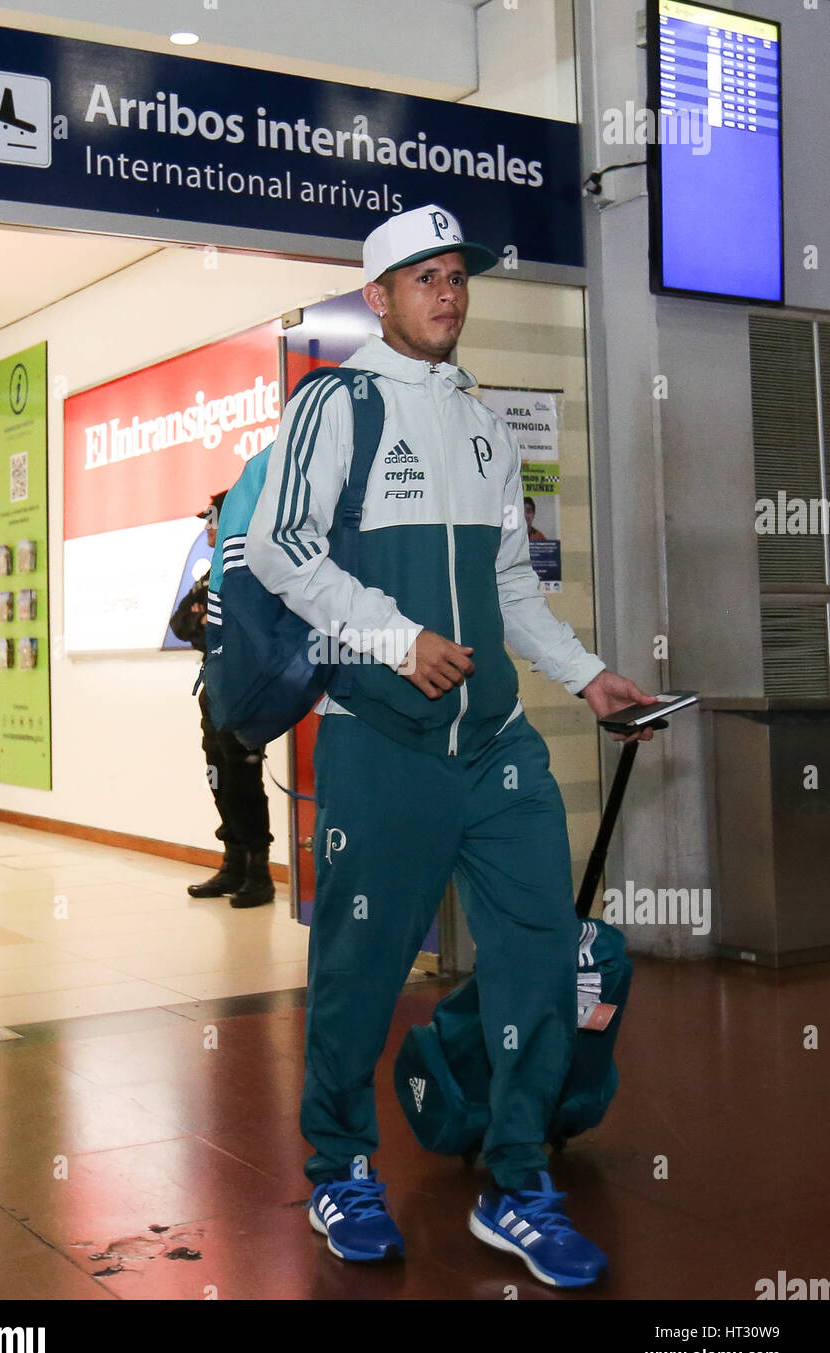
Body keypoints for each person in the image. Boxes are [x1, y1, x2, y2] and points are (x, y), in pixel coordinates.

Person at [245, 204, 655, 1285]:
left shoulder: (479, 418)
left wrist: (586, 674)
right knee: (360, 969)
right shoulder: (336, 403)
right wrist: (393, 636)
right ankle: (339, 1161)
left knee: (539, 960)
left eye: (457, 275)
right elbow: (279, 547)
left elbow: (512, 583)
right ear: (377, 298)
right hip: (384, 743)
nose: (448, 291)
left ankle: (518, 1181)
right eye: (422, 277)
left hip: (499, 747)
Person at [181, 492, 275, 909]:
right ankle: (232, 863)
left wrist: (210, 627)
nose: (207, 528)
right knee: (218, 773)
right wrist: (209, 628)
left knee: (243, 779)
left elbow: (251, 630)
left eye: (212, 519)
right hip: (215, 687)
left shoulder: (257, 567)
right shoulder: (210, 574)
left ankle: (259, 873)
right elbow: (184, 622)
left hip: (247, 686)